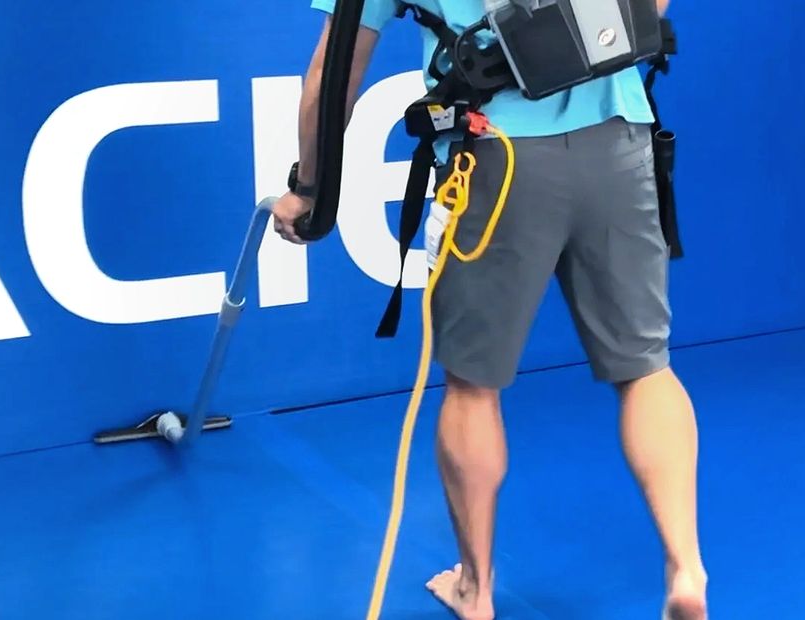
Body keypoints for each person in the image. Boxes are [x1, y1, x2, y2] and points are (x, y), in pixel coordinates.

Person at [271, 2, 706, 619]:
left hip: (493, 155)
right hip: (620, 139)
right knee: (645, 367)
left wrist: (311, 187)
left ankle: (475, 590)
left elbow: (335, 69)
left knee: (473, 388)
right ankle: (685, 568)